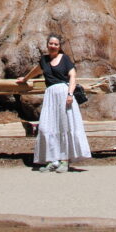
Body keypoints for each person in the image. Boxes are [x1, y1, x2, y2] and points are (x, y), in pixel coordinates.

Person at [17, 34, 91, 172]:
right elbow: (36, 71)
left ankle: (64, 161)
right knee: (47, 127)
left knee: (65, 127)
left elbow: (73, 76)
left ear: (59, 46)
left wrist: (70, 94)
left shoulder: (65, 59)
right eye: (51, 43)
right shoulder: (44, 60)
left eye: (56, 44)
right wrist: (25, 79)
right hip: (50, 96)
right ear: (47, 45)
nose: (53, 46)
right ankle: (53, 160)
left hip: (64, 94)